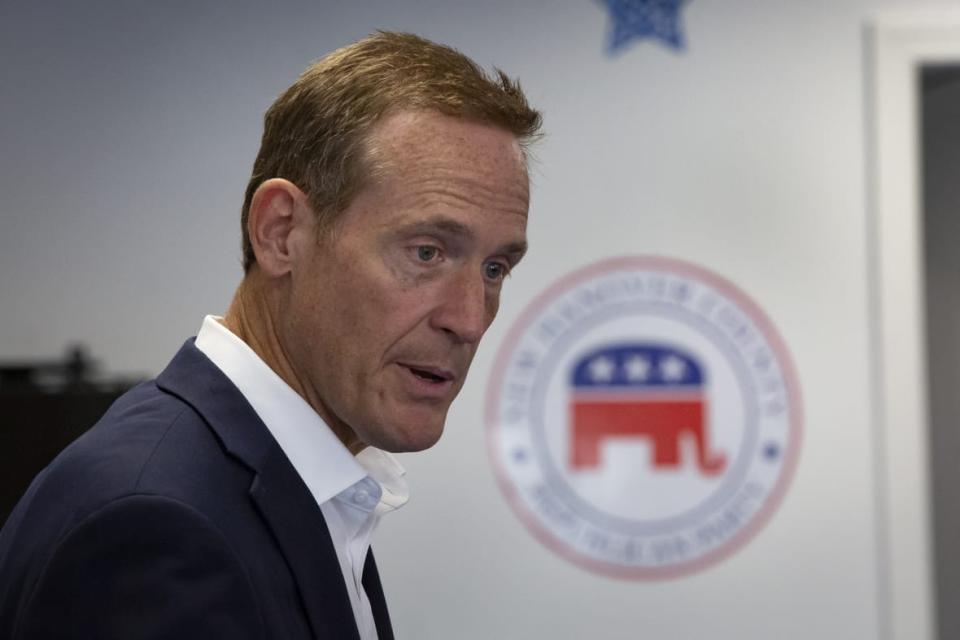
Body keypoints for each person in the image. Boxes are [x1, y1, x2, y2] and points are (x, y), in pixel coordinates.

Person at [0, 31, 541, 640]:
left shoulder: (295, 487)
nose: (469, 320)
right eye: (426, 251)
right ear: (282, 233)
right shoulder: (159, 526)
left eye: (495, 268)